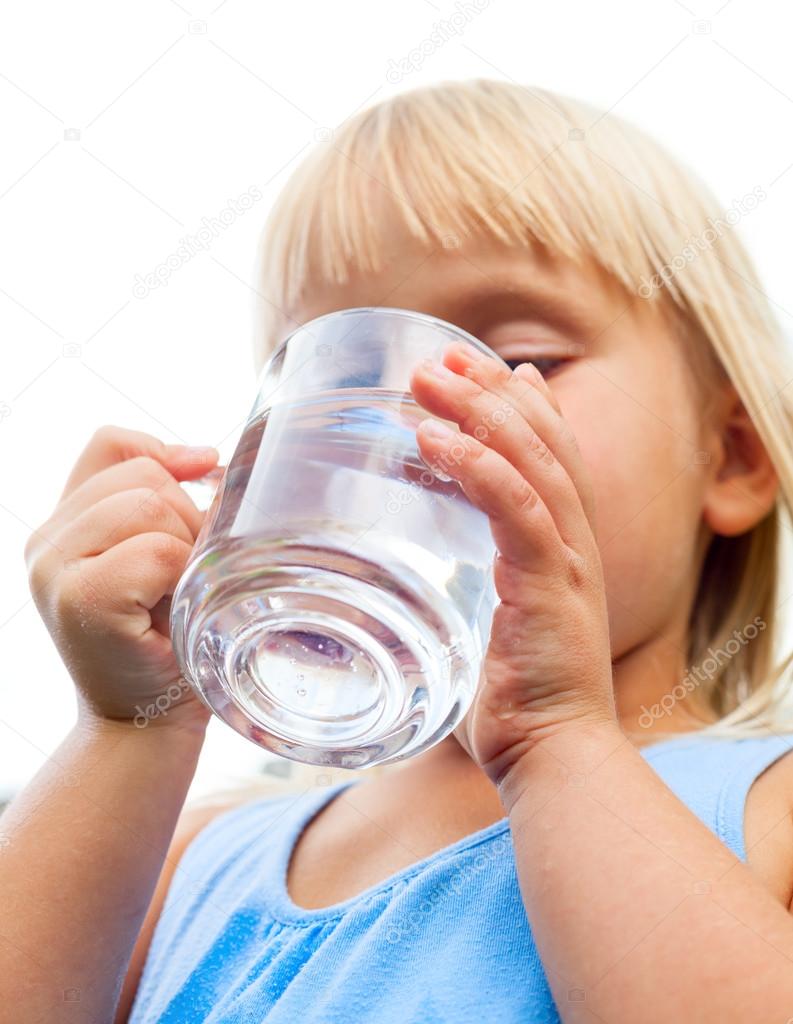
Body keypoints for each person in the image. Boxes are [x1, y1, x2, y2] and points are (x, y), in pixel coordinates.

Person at [10, 78, 793, 1022]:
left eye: (524, 358)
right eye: (341, 373)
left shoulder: (770, 808)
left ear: (734, 458)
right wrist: (131, 729)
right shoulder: (195, 856)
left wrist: (556, 738)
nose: (410, 414)